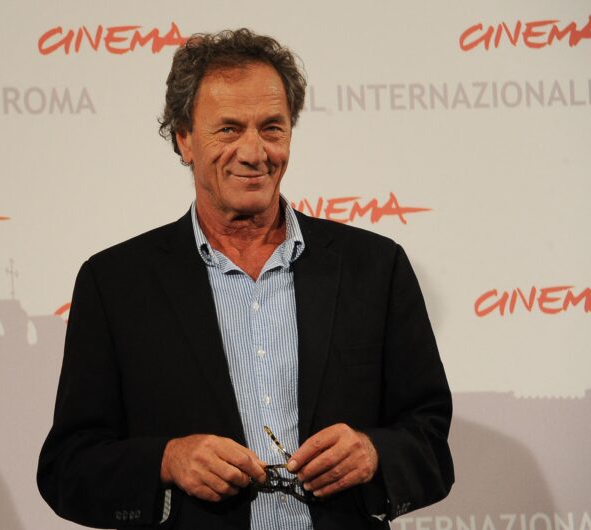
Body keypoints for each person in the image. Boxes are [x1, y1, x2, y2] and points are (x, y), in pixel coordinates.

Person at [37, 28, 454, 530]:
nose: (254, 152)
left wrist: (373, 452)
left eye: (272, 128)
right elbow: (68, 467)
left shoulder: (375, 267)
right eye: (229, 130)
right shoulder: (115, 285)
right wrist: (167, 460)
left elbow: (430, 439)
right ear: (184, 139)